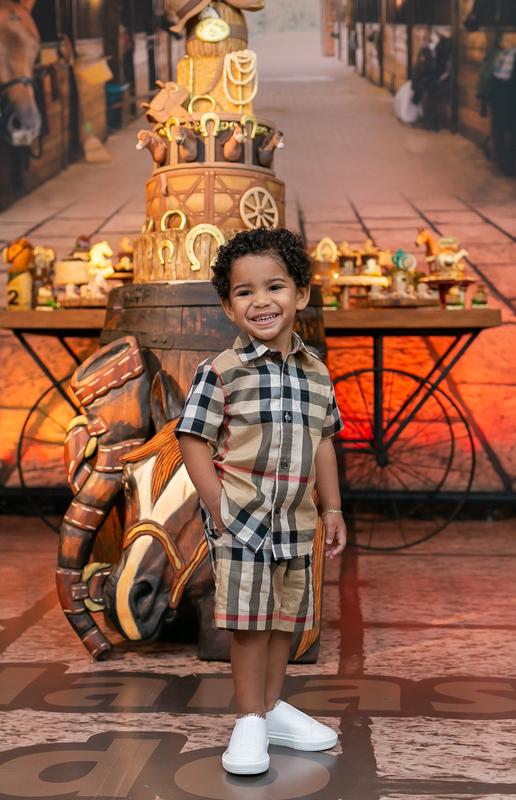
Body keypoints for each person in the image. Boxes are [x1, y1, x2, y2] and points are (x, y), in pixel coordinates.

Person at [176, 227, 347, 776]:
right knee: (250, 624)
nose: (261, 301)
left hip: (297, 523)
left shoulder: (316, 372)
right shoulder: (220, 372)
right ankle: (249, 717)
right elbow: (192, 438)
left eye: (275, 286)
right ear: (228, 306)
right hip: (244, 523)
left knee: (285, 622)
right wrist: (218, 505)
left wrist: (333, 509)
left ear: (301, 294)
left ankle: (273, 708)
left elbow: (323, 441)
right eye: (244, 292)